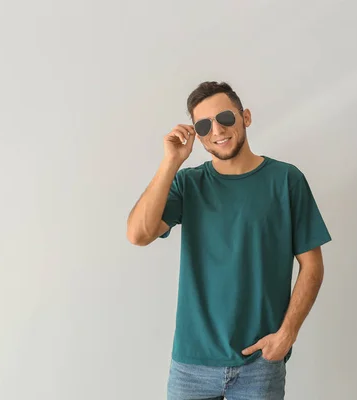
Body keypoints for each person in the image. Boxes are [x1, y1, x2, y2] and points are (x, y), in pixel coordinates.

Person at [126, 81, 332, 400]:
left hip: (259, 364)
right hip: (191, 364)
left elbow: (312, 266)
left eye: (224, 117)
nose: (217, 130)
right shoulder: (188, 184)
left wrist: (287, 333)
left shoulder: (286, 180)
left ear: (245, 117)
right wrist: (171, 161)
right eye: (204, 125)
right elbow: (138, 235)